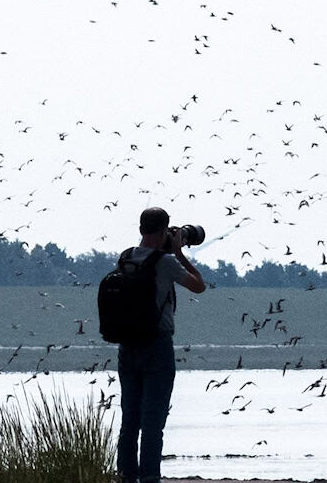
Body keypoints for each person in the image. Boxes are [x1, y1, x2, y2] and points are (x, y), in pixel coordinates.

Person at [117, 207, 206, 483]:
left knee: (129, 419)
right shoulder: (166, 263)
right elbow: (199, 286)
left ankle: (126, 476)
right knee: (153, 421)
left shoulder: (125, 258)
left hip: (127, 347)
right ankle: (150, 478)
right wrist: (179, 253)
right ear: (161, 232)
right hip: (156, 348)